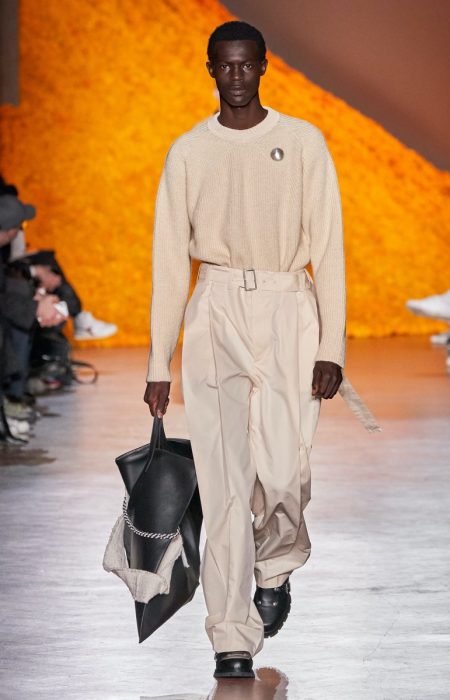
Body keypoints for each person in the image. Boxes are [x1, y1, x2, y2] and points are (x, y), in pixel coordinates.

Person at [144, 21, 346, 679]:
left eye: (246, 65)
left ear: (263, 66)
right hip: (216, 307)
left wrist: (332, 344)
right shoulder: (188, 152)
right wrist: (158, 361)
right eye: (225, 66)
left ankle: (275, 565)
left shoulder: (303, 142)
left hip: (289, 307)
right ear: (211, 69)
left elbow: (330, 247)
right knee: (225, 481)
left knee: (285, 474)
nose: (236, 76)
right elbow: (169, 261)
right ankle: (230, 634)